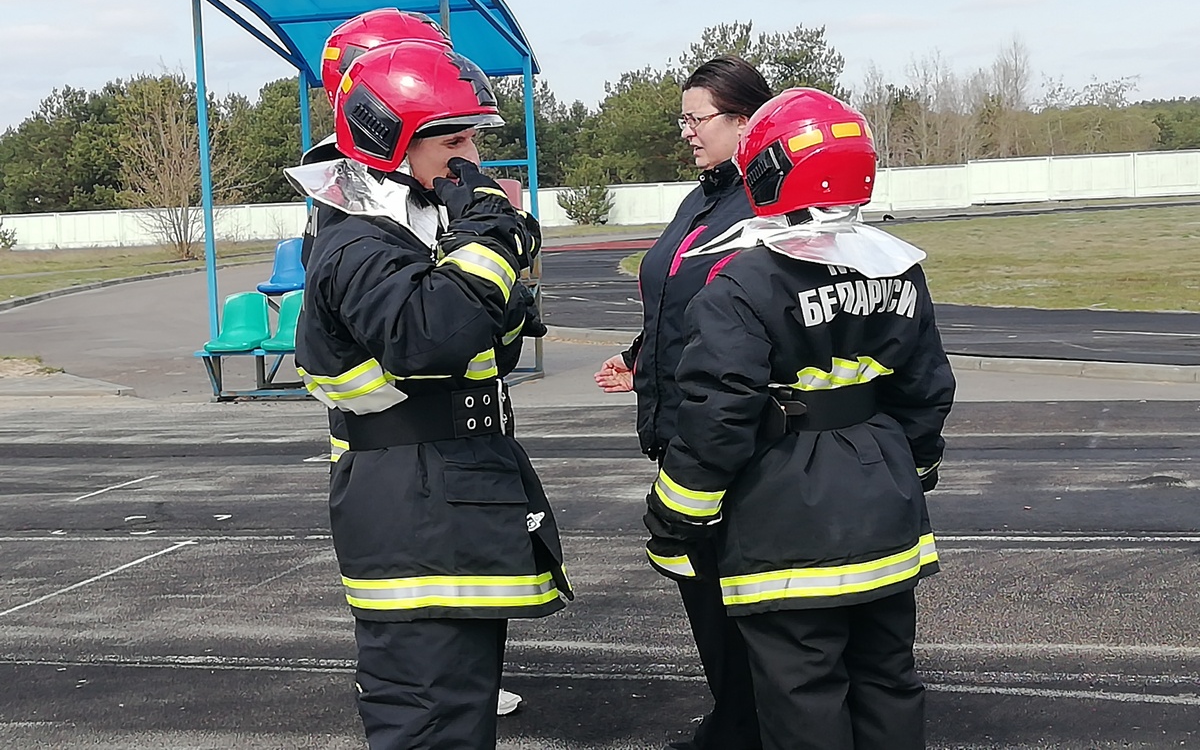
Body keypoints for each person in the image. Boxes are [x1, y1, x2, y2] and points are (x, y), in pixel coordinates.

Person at [643, 87, 955, 750]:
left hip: (786, 524)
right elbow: (926, 390)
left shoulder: (740, 284)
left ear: (764, 173)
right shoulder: (900, 271)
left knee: (802, 699)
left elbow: (717, 415)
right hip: (887, 515)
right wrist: (912, 469)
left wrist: (676, 520)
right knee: (889, 682)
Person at [286, 39, 570, 749]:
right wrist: (491, 230)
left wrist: (494, 269)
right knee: (429, 718)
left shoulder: (415, 230)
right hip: (416, 507)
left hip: (445, 495)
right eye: (455, 138)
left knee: (455, 707)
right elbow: (430, 336)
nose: (472, 157)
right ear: (392, 140)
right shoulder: (358, 242)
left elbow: (488, 340)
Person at [595, 56, 772, 750]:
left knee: (746, 607)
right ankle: (734, 721)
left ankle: (749, 730)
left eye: (697, 120)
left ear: (743, 121)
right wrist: (640, 357)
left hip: (733, 440)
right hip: (680, 430)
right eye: (685, 120)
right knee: (707, 603)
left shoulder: (760, 205)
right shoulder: (701, 198)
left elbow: (750, 316)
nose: (687, 133)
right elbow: (685, 300)